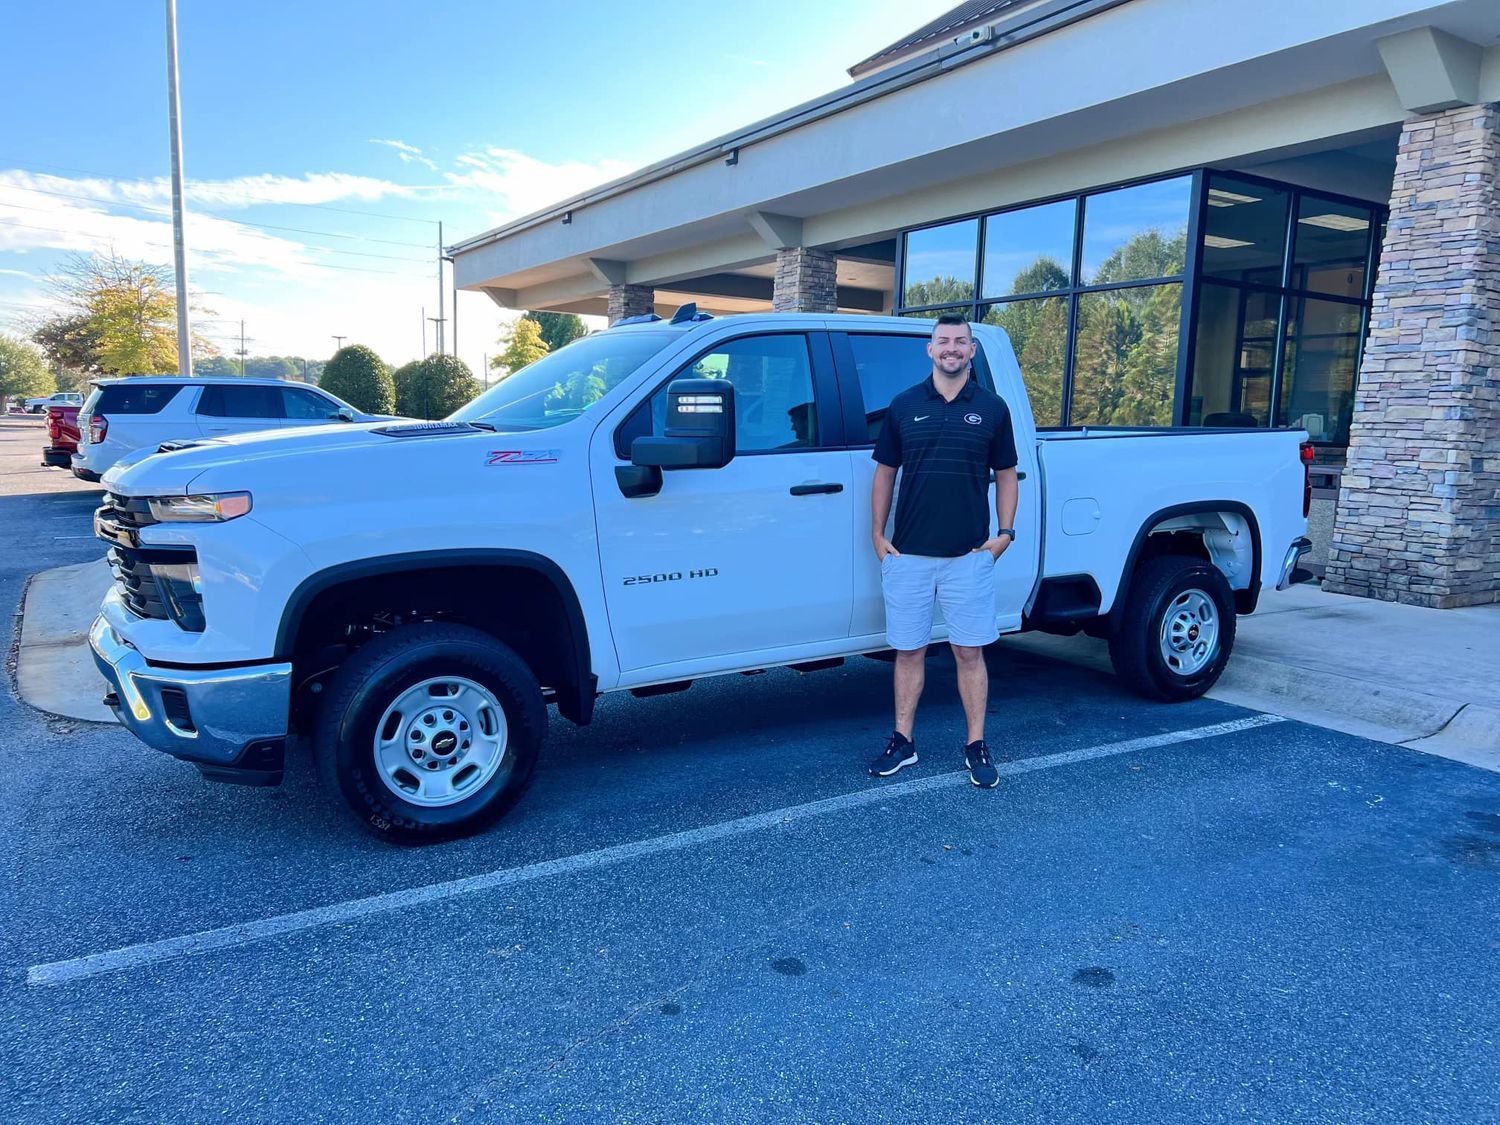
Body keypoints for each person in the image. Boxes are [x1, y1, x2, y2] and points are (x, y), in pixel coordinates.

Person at [867, 314, 1019, 788]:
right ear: (930, 350)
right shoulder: (904, 405)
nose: (951, 348)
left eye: (960, 341)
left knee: (968, 653)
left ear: (972, 350)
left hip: (968, 557)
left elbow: (1007, 474)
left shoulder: (992, 409)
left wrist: (1005, 534)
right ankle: (903, 741)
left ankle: (976, 744)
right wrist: (876, 533)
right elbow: (885, 472)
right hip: (909, 555)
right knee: (908, 652)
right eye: (943, 341)